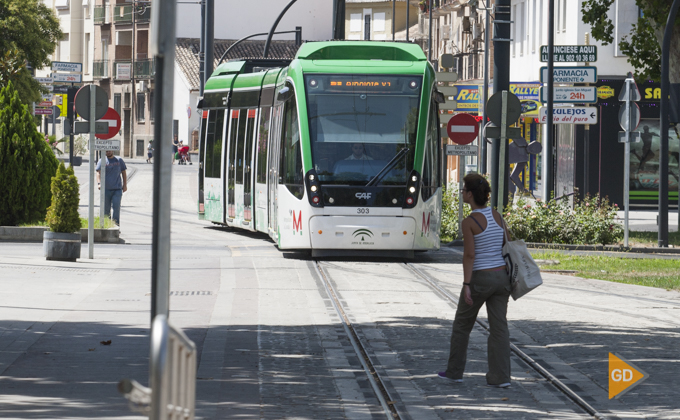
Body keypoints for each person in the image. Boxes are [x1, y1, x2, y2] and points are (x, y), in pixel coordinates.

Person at [438, 173, 513, 388]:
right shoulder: (498, 216)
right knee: (499, 328)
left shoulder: (469, 222)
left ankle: (454, 372)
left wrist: (467, 285)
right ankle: (501, 378)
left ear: (470, 195)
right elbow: (506, 243)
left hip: (481, 277)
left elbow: (469, 256)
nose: (462, 193)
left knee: (462, 325)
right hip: (502, 278)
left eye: (463, 190)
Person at [96, 150, 127, 226]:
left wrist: (125, 185)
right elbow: (98, 172)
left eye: (109, 151)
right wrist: (99, 183)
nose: (108, 152)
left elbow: (123, 172)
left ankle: (116, 225)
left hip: (117, 189)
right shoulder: (102, 160)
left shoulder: (119, 160)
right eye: (106, 151)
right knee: (106, 210)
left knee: (116, 208)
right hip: (106, 189)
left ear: (112, 150)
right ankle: (107, 225)